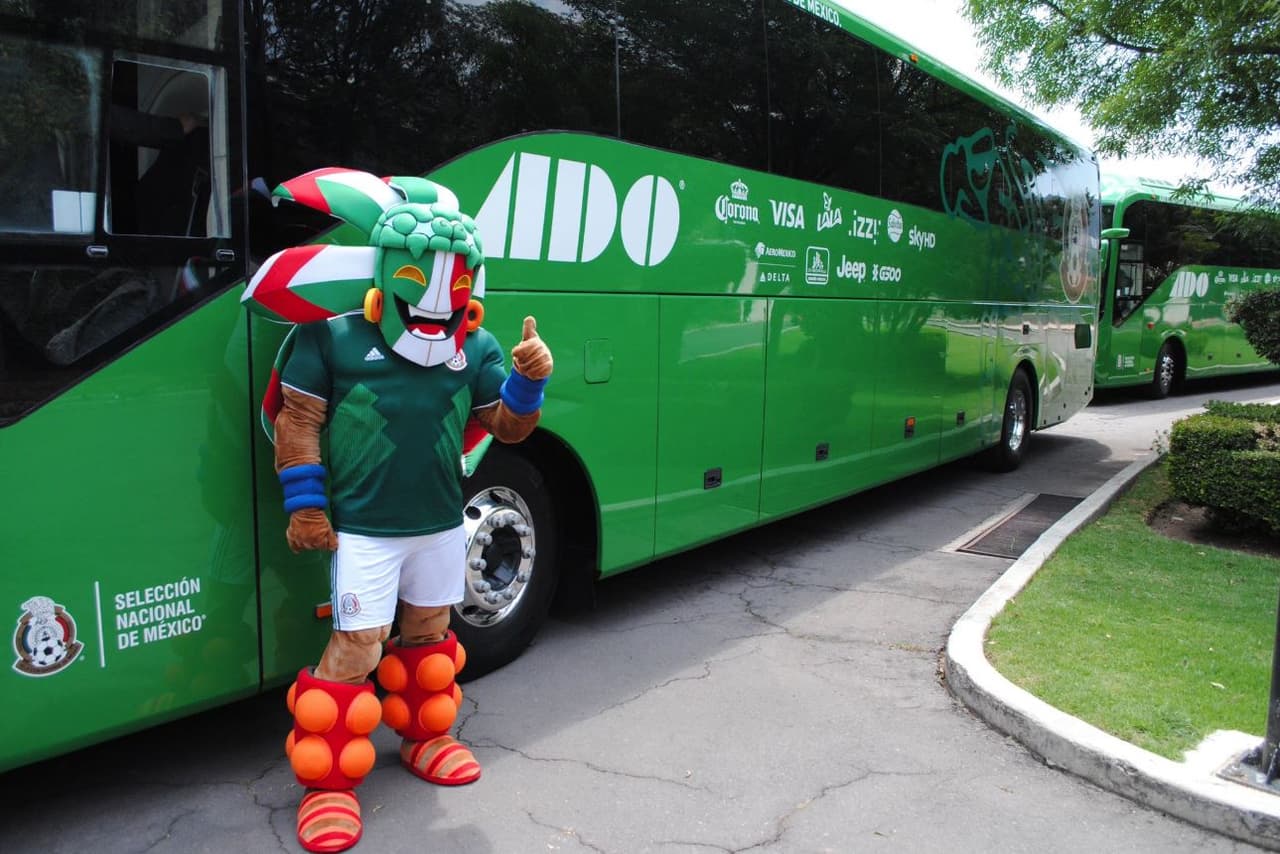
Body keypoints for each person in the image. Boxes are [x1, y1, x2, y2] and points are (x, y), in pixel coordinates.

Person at [241, 168, 553, 853]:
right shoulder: (330, 338)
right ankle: (327, 785)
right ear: (384, 273)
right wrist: (306, 508)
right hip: (364, 534)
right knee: (356, 647)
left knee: (431, 634)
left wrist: (529, 382)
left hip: (440, 527)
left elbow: (505, 429)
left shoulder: (476, 348)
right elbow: (297, 423)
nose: (437, 302)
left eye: (456, 282)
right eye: (417, 275)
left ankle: (425, 736)